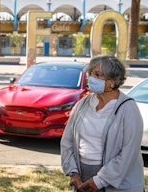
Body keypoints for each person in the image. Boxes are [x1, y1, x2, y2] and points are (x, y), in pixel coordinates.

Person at [61, 55, 145, 192]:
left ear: (114, 80)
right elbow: (67, 141)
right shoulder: (83, 103)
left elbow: (129, 152)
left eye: (98, 74)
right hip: (83, 176)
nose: (91, 78)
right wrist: (73, 172)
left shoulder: (128, 108)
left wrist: (99, 180)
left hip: (118, 182)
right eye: (90, 73)